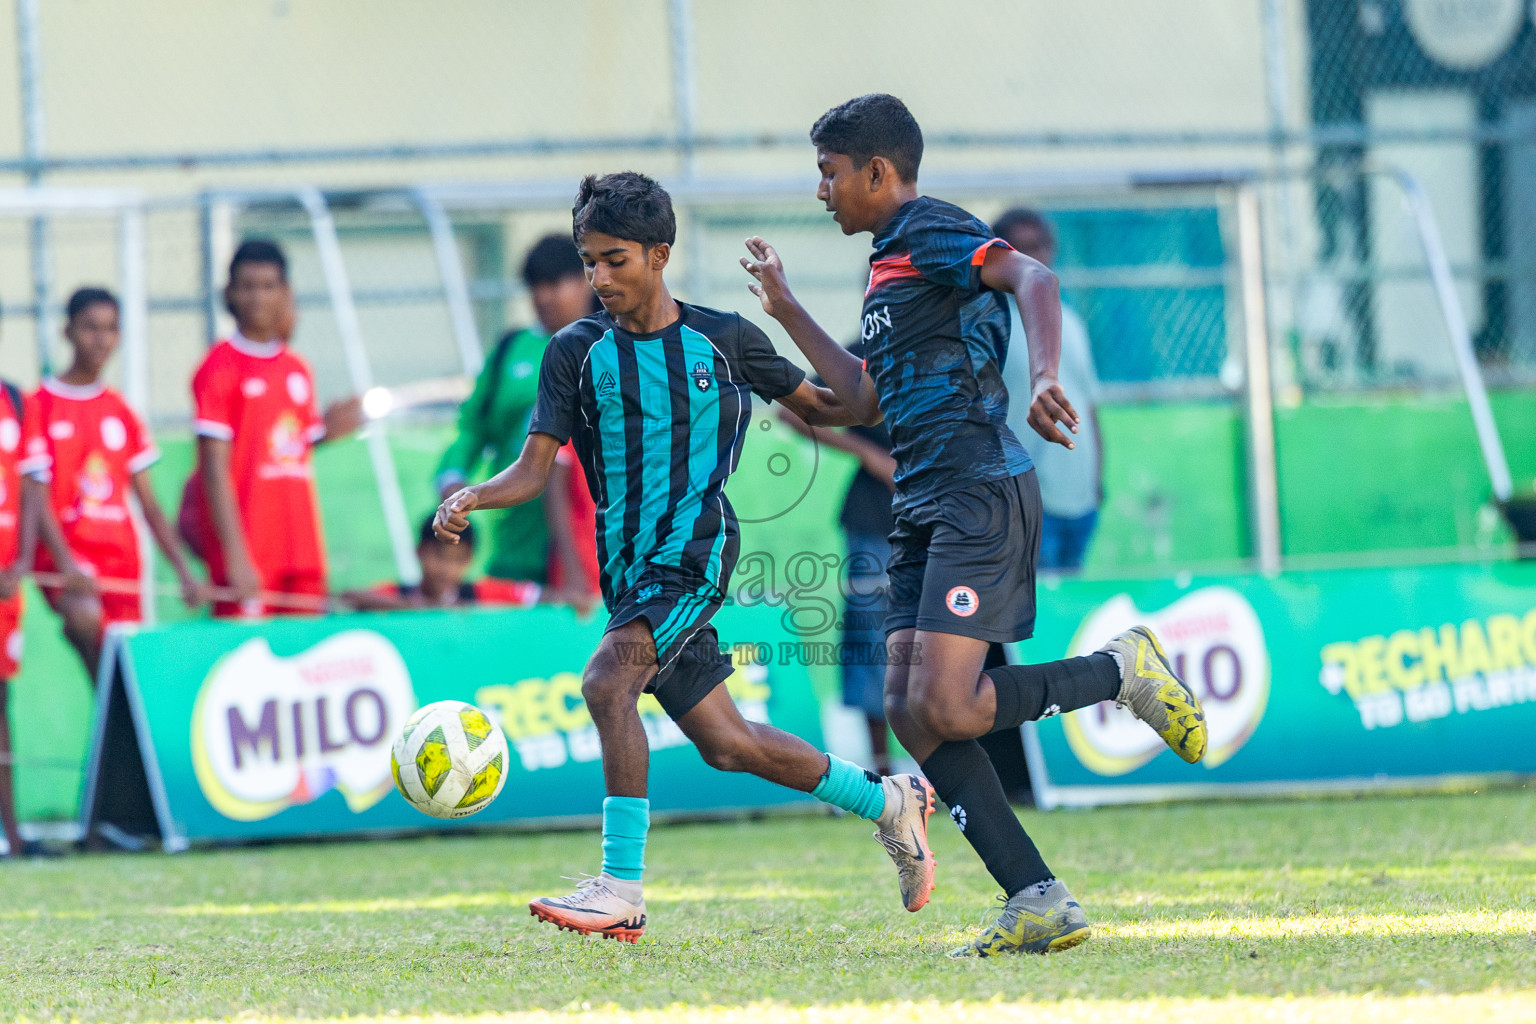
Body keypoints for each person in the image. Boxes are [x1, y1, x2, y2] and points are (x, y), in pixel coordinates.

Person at [738, 93, 1208, 957]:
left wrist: (1043, 376)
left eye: (829, 174)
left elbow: (1036, 275)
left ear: (878, 172)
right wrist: (785, 311)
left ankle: (1118, 670)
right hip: (920, 504)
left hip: (976, 491)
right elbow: (864, 399)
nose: (822, 192)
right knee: (909, 713)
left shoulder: (931, 228)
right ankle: (1036, 898)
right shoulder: (886, 262)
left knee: (946, 702)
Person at [434, 172, 936, 944]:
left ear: (659, 254)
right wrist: (473, 495)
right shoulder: (573, 351)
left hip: (695, 558)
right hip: (631, 572)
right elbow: (533, 471)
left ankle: (621, 888)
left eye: (614, 261)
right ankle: (889, 801)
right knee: (729, 744)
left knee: (608, 683)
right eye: (589, 262)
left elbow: (849, 408)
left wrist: (790, 309)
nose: (598, 279)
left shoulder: (724, 339)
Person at [18, 288, 206, 679]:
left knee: (127, 669)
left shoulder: (121, 410)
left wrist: (185, 572)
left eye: (110, 329)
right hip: (66, 559)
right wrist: (66, 563)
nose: (101, 339)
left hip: (121, 561)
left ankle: (118, 730)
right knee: (86, 622)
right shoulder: (39, 404)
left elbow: (149, 505)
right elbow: (35, 493)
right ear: (67, 332)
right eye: (90, 327)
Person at [178, 239, 362, 617]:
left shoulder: (297, 368)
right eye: (247, 287)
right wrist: (235, 557)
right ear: (229, 294)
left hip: (302, 549)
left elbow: (285, 448)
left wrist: (328, 431)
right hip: (250, 555)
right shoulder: (218, 367)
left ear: (285, 293)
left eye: (267, 287)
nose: (257, 298)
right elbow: (214, 469)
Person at [435, 234, 601, 607]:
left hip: (588, 538)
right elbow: (473, 426)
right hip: (515, 534)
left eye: (554, 284)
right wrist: (453, 477)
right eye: (535, 287)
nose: (543, 298)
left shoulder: (611, 343)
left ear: (584, 281)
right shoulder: (512, 350)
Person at [778, 339, 898, 776]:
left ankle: (944, 765)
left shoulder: (951, 346)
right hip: (877, 517)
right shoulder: (862, 354)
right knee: (874, 641)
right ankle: (885, 771)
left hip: (944, 515)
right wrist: (868, 455)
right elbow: (789, 412)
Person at [994, 208, 1104, 572]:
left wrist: (1097, 479)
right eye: (1019, 247)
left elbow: (1087, 405)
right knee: (1034, 612)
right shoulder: (992, 323)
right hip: (1026, 499)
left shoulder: (1069, 320)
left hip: (1080, 498)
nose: (1033, 256)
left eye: (1039, 245)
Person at [0, 304, 55, 859]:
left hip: (4, 588)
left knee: (0, 701)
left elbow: (33, 486)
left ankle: (11, 834)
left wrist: (20, 561)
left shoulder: (16, 401)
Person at [339, 515, 549, 612]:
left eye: (458, 559)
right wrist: (419, 608)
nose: (447, 568)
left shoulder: (478, 593)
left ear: (470, 560)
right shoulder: (400, 593)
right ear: (419, 552)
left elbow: (531, 595)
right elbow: (350, 598)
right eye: (439, 556)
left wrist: (571, 597)